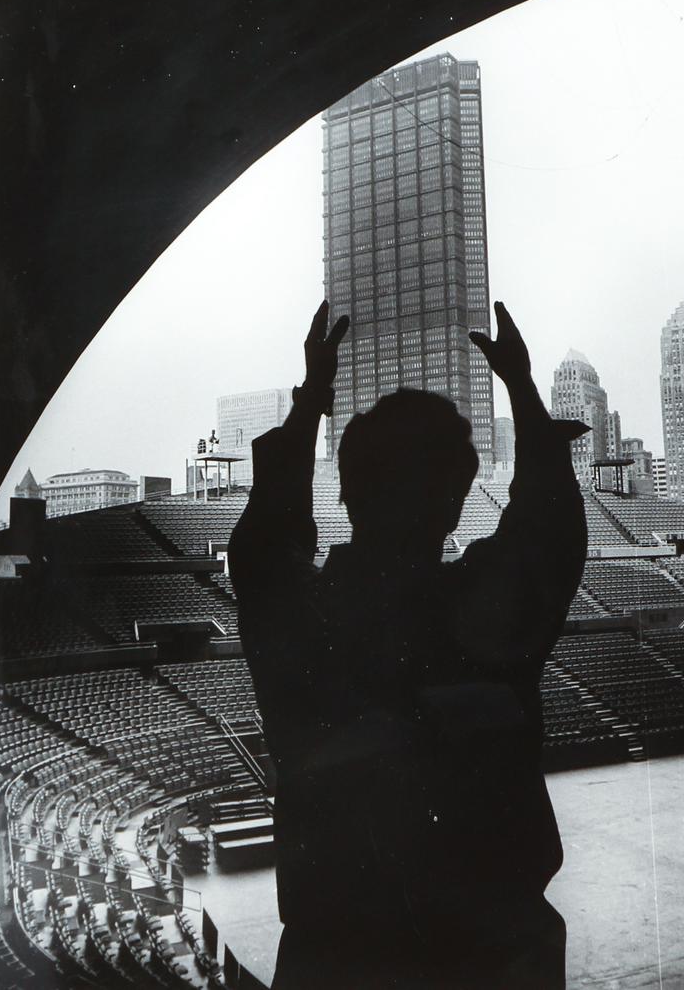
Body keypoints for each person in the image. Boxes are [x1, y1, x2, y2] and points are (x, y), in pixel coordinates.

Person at [229, 300, 588, 989]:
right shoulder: (487, 617)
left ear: (346, 491)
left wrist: (311, 402)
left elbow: (265, 547)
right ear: (455, 502)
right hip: (496, 966)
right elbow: (548, 531)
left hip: (335, 965)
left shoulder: (302, 617)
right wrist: (519, 385)